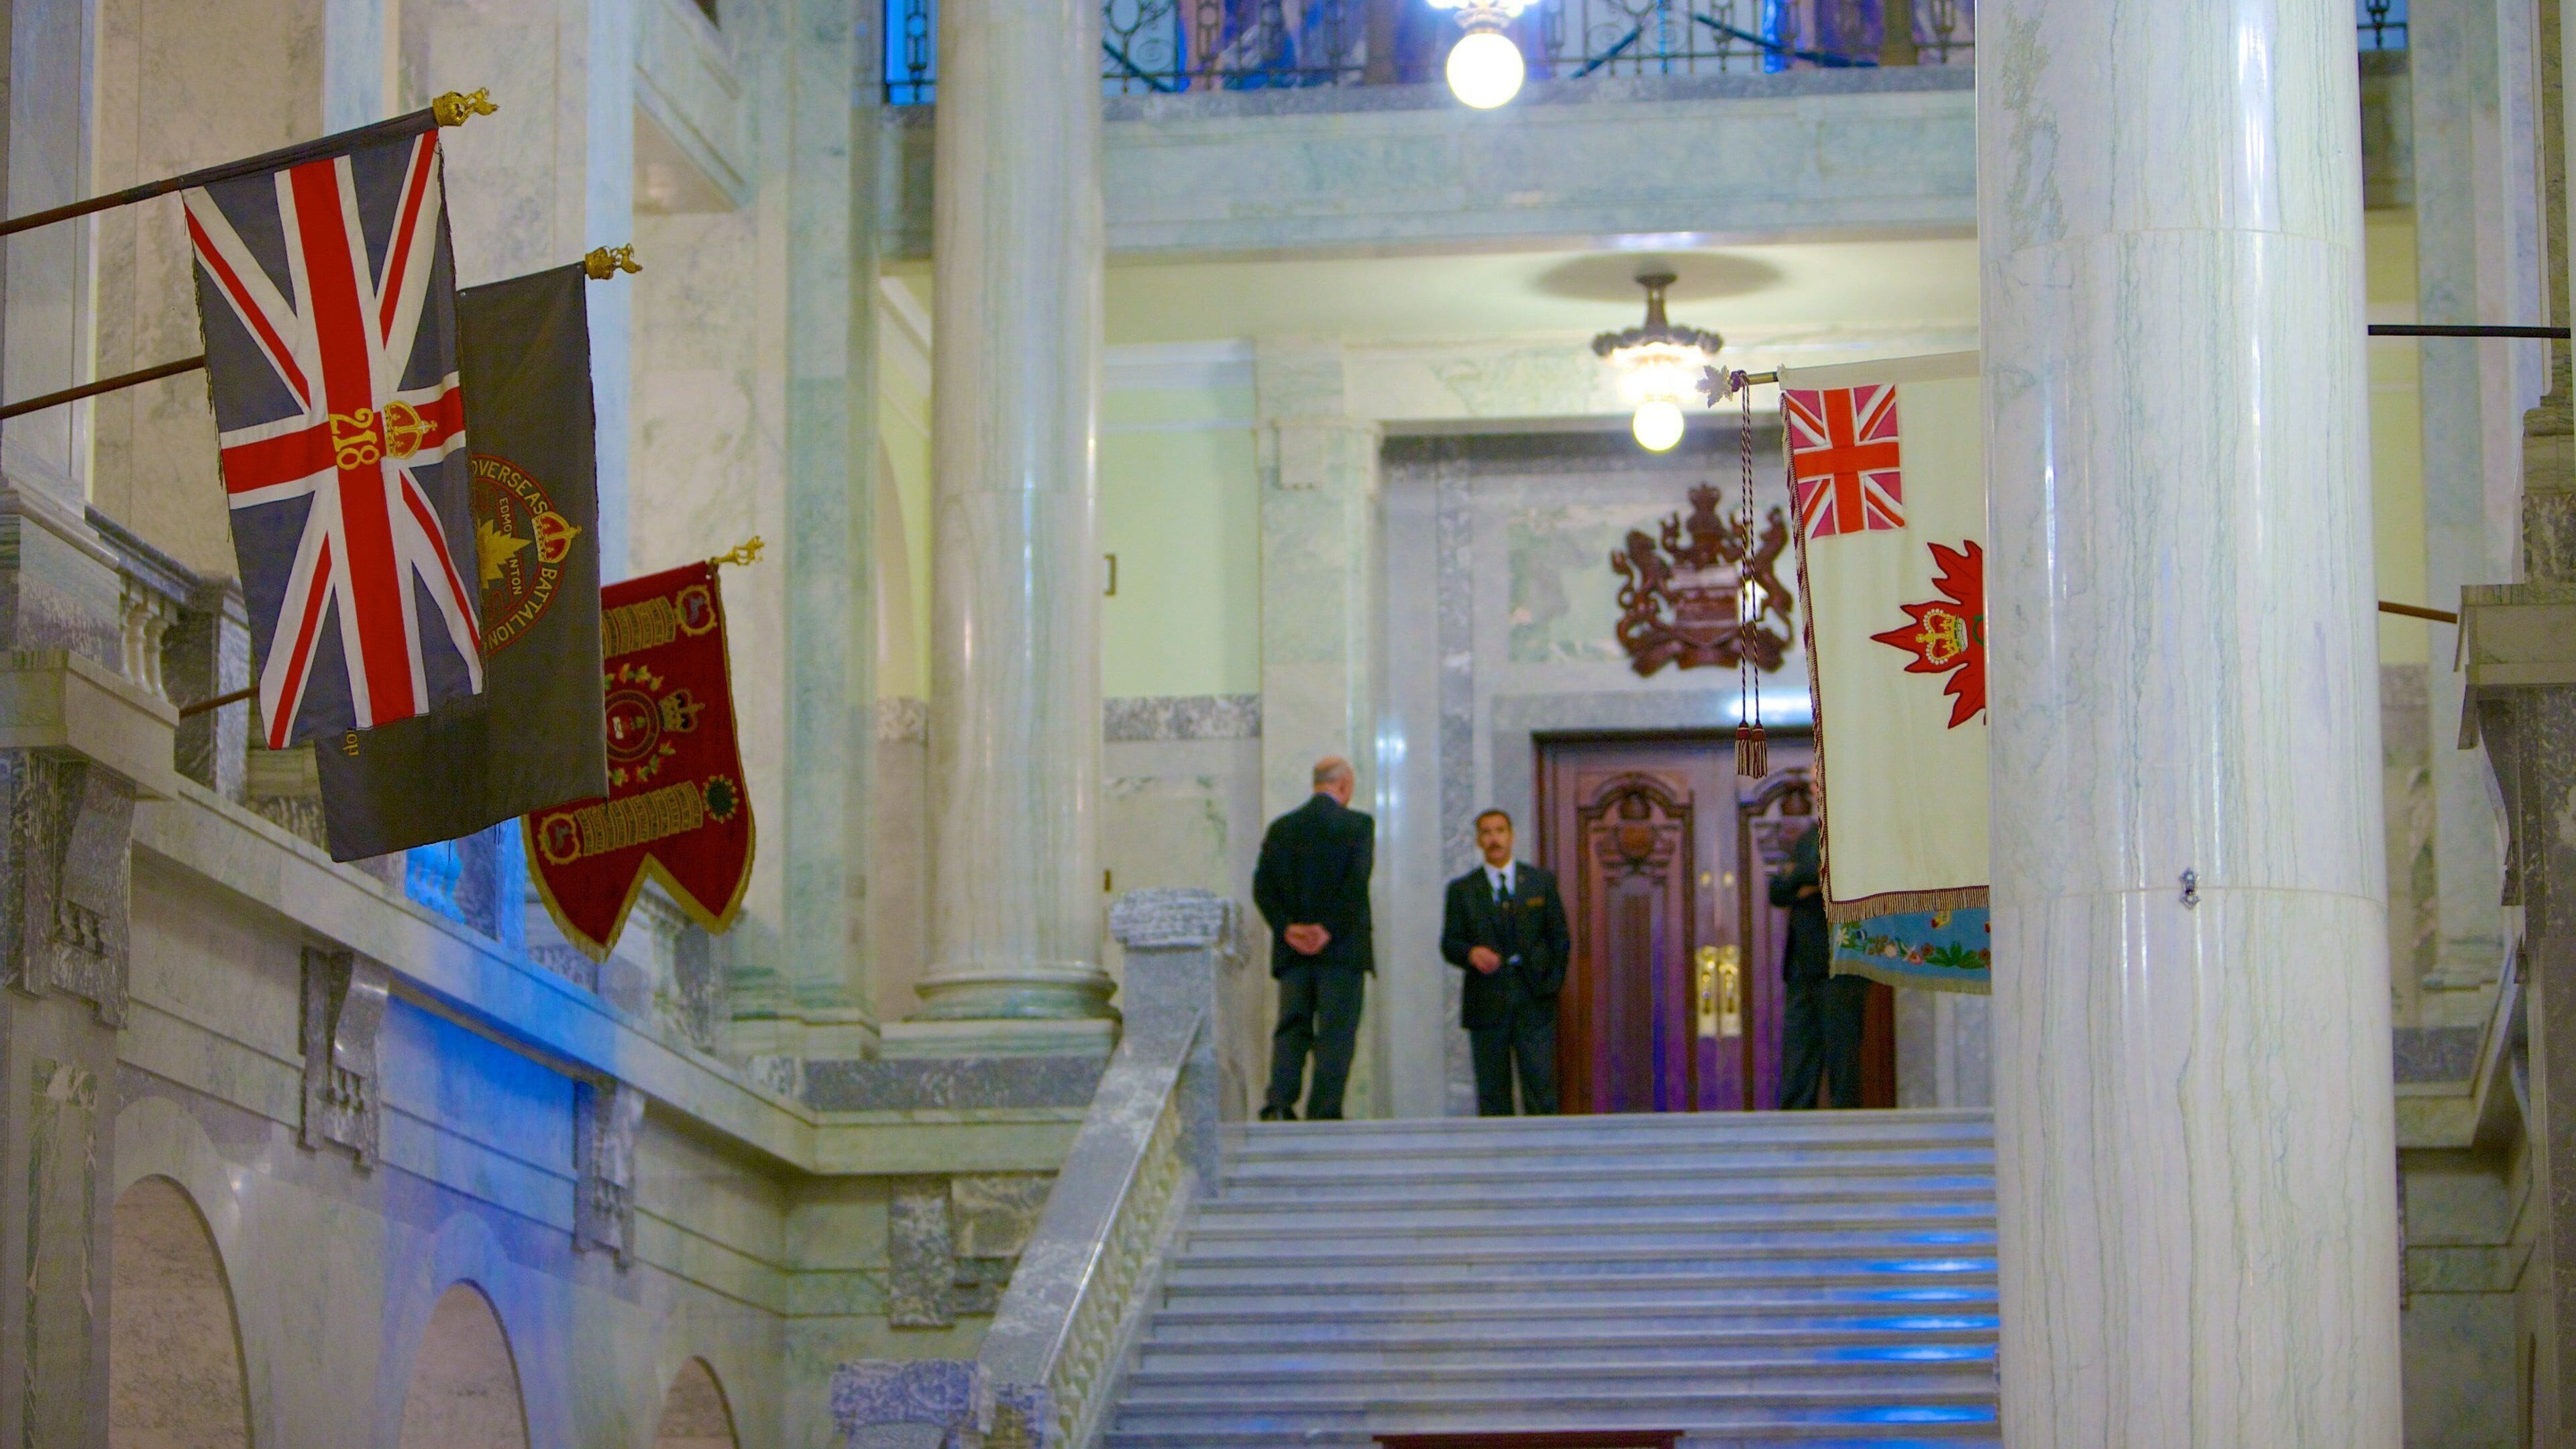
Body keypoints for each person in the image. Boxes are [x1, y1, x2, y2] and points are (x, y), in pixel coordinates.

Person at [1251, 757, 1376, 1120]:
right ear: (1345, 785)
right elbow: (1356, 884)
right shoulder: (1358, 825)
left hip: (1294, 953)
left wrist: (1287, 927)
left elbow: (1262, 887)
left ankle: (1279, 1104)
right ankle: (1324, 1111)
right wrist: (1327, 929)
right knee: (1336, 1032)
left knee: (1292, 1027)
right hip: (1342, 952)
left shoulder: (1282, 828)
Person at [1440, 808, 1570, 1116]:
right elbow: (1449, 943)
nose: (1494, 839)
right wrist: (1471, 953)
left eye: (1500, 831)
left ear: (1511, 836)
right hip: (1486, 1001)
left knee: (1540, 1087)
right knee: (1492, 1093)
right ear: (1478, 841)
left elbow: (1559, 938)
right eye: (1486, 833)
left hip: (1534, 999)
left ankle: (1544, 1146)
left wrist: (1550, 985)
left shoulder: (1539, 882)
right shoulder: (1462, 890)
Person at [1770, 820, 1870, 1108]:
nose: (1816, 796)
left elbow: (1830, 875)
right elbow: (1777, 891)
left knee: (1842, 1062)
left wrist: (1801, 877)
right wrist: (1803, 880)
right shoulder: (1809, 837)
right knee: (1797, 1063)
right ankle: (1794, 1131)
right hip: (1801, 967)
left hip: (1841, 965)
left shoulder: (1855, 832)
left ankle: (1847, 1133)